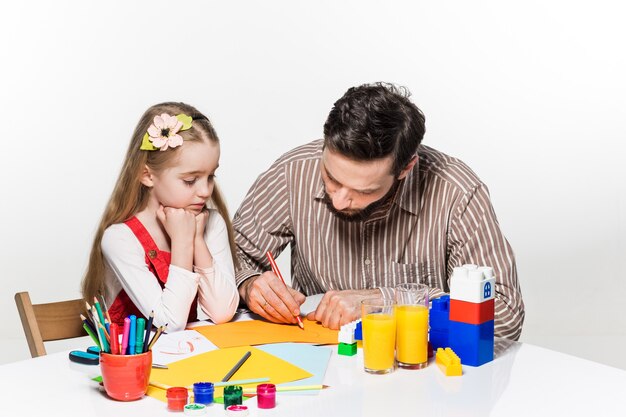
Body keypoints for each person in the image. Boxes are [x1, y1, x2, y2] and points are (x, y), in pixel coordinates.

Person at [233, 83, 524, 340]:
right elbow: (230, 255)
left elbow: (506, 312)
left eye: (364, 191)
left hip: (418, 372)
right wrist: (248, 284)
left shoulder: (457, 192)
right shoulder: (293, 172)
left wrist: (389, 300)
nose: (339, 201)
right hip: (317, 359)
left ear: (406, 168)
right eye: (331, 178)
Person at [81, 102, 239, 332]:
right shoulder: (120, 239)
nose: (205, 191)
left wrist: (196, 239)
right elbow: (169, 323)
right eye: (190, 180)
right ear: (146, 175)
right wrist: (183, 242)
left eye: (211, 176)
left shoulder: (211, 223)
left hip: (190, 360)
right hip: (138, 365)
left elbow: (223, 311)